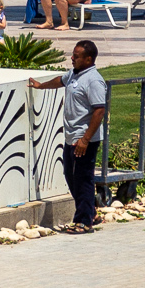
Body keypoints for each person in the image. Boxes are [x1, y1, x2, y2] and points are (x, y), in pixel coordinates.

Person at [30, 39, 108, 232]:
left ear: (88, 59)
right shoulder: (74, 74)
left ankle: (84, 222)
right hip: (71, 137)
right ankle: (91, 212)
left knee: (83, 179)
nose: (72, 58)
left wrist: (85, 140)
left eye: (76, 56)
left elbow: (99, 111)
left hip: (84, 139)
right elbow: (60, 80)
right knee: (70, 175)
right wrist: (40, 86)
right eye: (73, 54)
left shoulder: (94, 81)